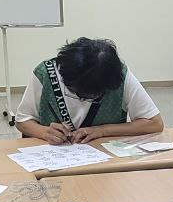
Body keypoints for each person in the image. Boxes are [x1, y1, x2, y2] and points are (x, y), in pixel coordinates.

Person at [15, 37, 163, 145]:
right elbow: (22, 121)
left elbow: (154, 123)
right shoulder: (45, 73)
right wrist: (44, 132)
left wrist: (102, 130)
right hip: (52, 158)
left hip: (102, 158)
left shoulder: (119, 75)